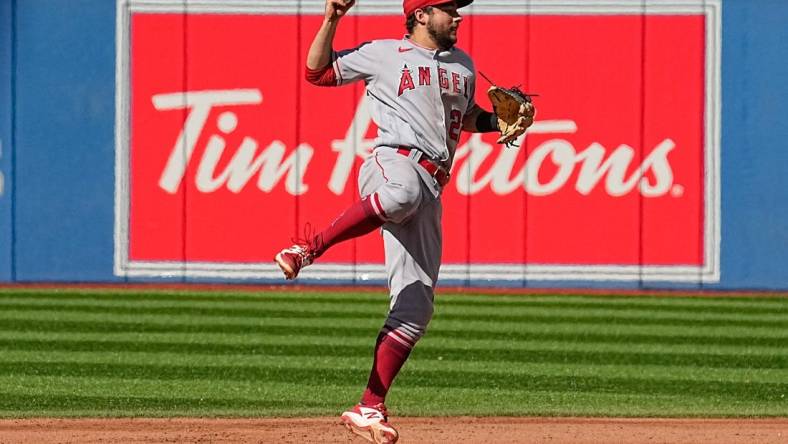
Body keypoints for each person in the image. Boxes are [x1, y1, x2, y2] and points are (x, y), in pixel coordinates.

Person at [275, 0, 534, 442]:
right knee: (401, 194)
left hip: (434, 184)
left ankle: (368, 407)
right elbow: (317, 74)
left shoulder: (463, 64)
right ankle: (307, 248)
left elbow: (464, 117)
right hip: (392, 162)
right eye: (448, 9)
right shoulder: (383, 53)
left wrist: (496, 122)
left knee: (416, 307)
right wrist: (331, 19)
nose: (458, 16)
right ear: (420, 15)